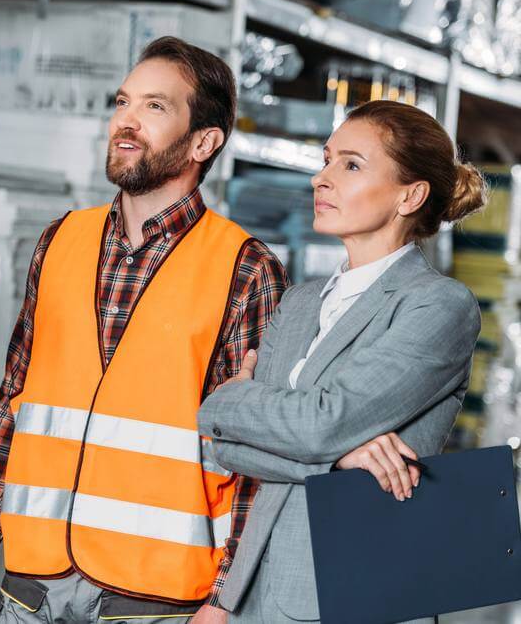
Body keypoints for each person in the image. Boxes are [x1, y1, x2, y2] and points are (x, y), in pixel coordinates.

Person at [0, 36, 288, 624]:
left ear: (204, 141)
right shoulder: (59, 241)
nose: (126, 120)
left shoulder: (246, 269)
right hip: (34, 582)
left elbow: (258, 454)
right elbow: (15, 398)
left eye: (155, 106)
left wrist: (226, 598)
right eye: (123, 101)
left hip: (154, 596)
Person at [196, 100, 486, 623]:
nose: (320, 179)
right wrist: (337, 460)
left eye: (350, 165)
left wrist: (235, 399)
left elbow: (319, 424)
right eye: (326, 159)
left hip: (354, 592)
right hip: (252, 590)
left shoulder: (437, 306)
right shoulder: (300, 302)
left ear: (410, 195)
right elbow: (223, 446)